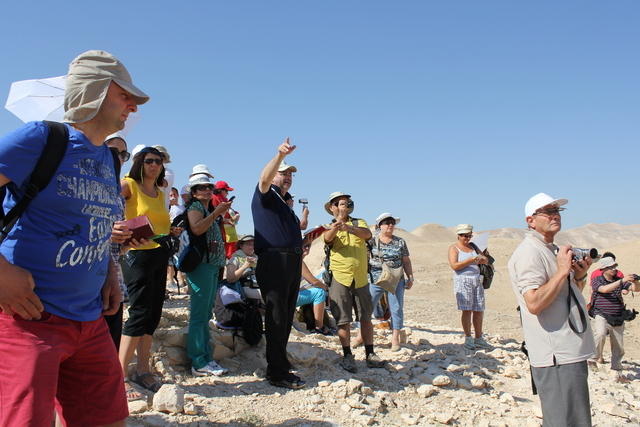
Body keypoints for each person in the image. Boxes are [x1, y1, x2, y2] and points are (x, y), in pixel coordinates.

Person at [0, 50, 148, 426]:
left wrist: (107, 274)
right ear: (94, 91)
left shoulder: (108, 159)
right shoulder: (40, 139)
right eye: (123, 94)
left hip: (90, 319)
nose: (132, 105)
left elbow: (91, 222)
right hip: (28, 319)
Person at [508, 192, 595, 427]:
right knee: (564, 421)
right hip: (556, 354)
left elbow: (563, 295)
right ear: (530, 220)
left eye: (557, 210)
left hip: (568, 350)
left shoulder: (550, 249)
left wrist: (578, 275)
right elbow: (534, 303)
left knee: (574, 420)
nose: (555, 215)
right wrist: (560, 271)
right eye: (547, 211)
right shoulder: (530, 252)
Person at [251, 138, 305, 389]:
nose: (287, 177)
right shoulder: (266, 194)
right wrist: (279, 156)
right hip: (274, 261)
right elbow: (263, 179)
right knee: (276, 315)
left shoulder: (284, 204)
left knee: (286, 315)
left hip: (291, 261)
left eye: (290, 175)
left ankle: (280, 362)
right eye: (283, 174)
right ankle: (276, 372)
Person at [118, 146, 173, 393]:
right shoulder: (128, 183)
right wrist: (116, 228)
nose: (154, 165)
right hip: (136, 254)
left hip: (158, 252)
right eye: (149, 160)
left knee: (153, 314)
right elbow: (108, 203)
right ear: (140, 162)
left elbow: (160, 223)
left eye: (158, 161)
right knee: (139, 312)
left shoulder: (159, 191)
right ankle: (118, 377)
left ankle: (143, 370)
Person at [323, 192, 385, 373]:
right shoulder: (328, 226)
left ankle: (370, 354)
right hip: (340, 277)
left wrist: (348, 228)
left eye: (346, 203)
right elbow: (327, 239)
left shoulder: (359, 223)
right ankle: (347, 354)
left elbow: (367, 235)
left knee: (365, 317)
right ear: (333, 207)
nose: (345, 206)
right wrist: (338, 225)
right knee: (343, 319)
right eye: (341, 204)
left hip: (360, 278)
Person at [184, 174, 232, 376]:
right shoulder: (196, 208)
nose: (206, 190)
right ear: (194, 192)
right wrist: (216, 214)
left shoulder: (208, 208)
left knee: (204, 314)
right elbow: (196, 229)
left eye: (208, 186)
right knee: (199, 315)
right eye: (201, 187)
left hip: (211, 265)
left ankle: (204, 358)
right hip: (202, 265)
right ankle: (198, 360)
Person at [368, 213, 414, 352]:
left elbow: (406, 260)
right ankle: (361, 335)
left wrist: (410, 277)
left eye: (392, 222)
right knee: (368, 306)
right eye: (387, 222)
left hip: (396, 279)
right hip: (376, 278)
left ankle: (395, 338)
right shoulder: (371, 242)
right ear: (379, 226)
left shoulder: (400, 242)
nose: (390, 225)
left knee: (396, 307)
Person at [587, 256, 639, 374]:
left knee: (618, 343)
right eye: (612, 267)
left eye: (615, 266)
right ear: (604, 268)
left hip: (617, 315)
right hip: (601, 314)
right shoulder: (597, 280)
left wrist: (635, 281)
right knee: (600, 334)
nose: (615, 269)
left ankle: (616, 367)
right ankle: (592, 359)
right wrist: (621, 281)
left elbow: (635, 289)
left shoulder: (618, 279)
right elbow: (604, 289)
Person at [448, 224, 492, 350]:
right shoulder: (454, 248)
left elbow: (486, 260)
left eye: (469, 235)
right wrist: (471, 260)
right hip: (463, 280)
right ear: (458, 236)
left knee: (479, 309)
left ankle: (479, 338)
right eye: (464, 236)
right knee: (467, 310)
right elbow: (454, 266)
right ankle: (468, 338)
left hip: (477, 280)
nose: (466, 238)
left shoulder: (474, 246)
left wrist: (482, 259)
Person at [298, 238, 332, 335]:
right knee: (319, 293)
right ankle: (319, 327)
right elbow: (313, 281)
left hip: (285, 296)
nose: (307, 248)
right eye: (304, 246)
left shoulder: (290, 259)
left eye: (309, 246)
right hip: (289, 299)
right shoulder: (298, 261)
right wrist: (327, 289)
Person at [213, 180, 241, 258]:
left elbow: (230, 213)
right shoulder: (214, 198)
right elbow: (213, 216)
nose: (228, 193)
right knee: (221, 256)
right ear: (220, 190)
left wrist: (237, 214)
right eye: (226, 191)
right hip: (219, 233)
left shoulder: (225, 200)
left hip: (228, 232)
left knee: (230, 255)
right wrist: (227, 220)